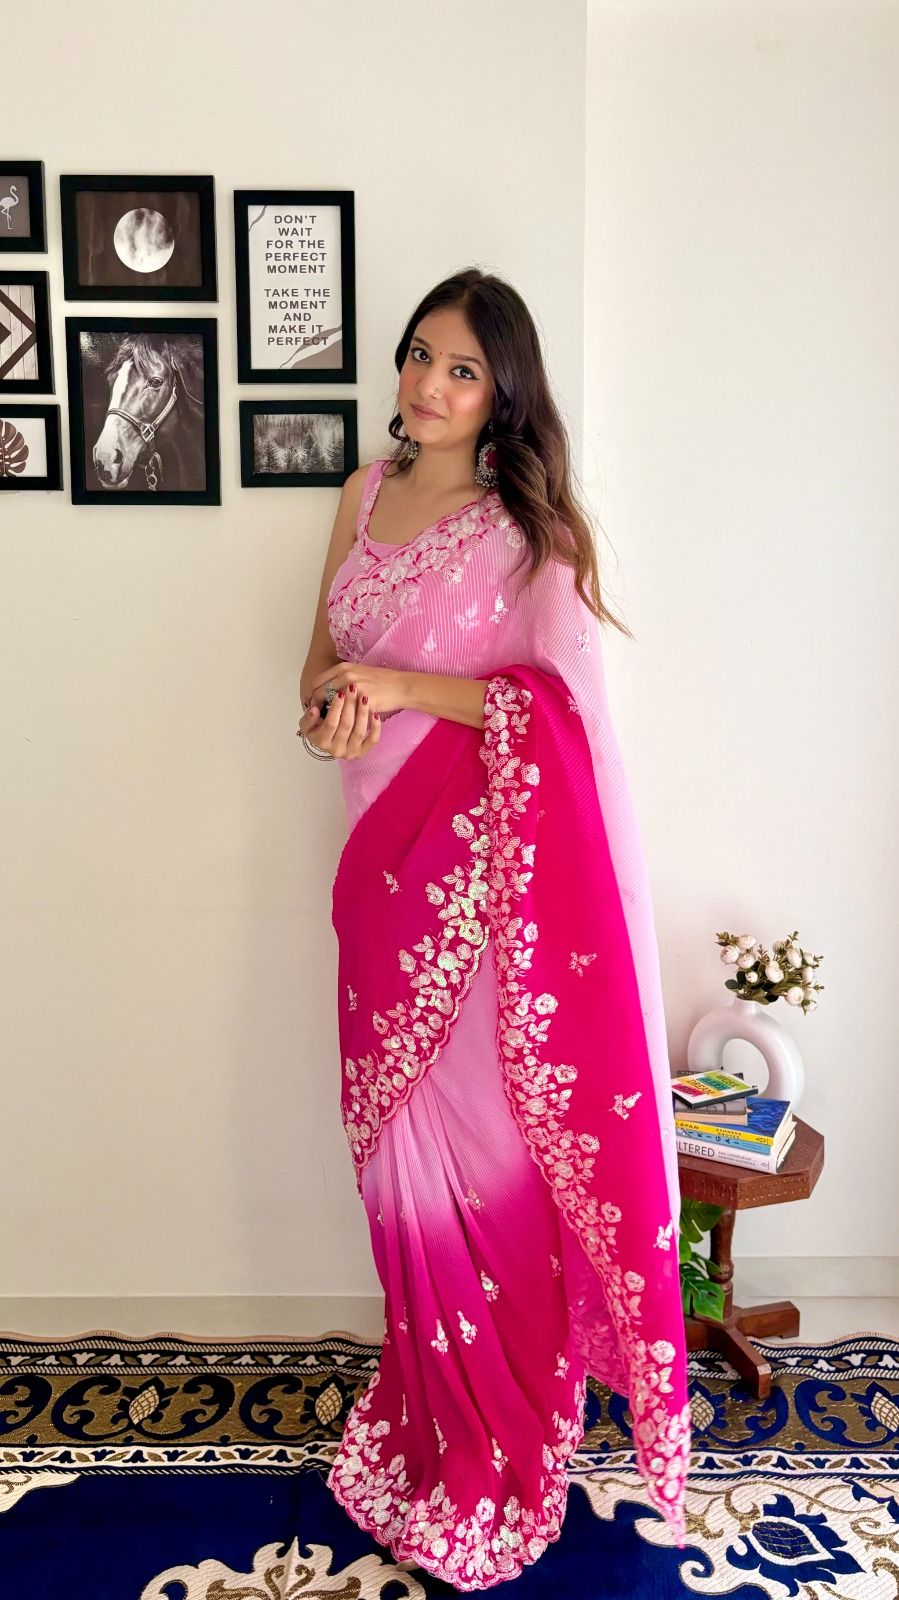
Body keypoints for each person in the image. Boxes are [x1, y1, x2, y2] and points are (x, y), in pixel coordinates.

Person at [296, 268, 692, 1591]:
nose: (428, 384)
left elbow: (564, 713)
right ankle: (422, 1418)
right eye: (421, 355)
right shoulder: (361, 495)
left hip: (481, 902)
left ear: (503, 393)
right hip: (375, 880)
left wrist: (405, 686)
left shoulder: (532, 534)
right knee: (398, 1169)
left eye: (461, 369)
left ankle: (503, 1444)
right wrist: (332, 717)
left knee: (489, 1169)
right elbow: (315, 675)